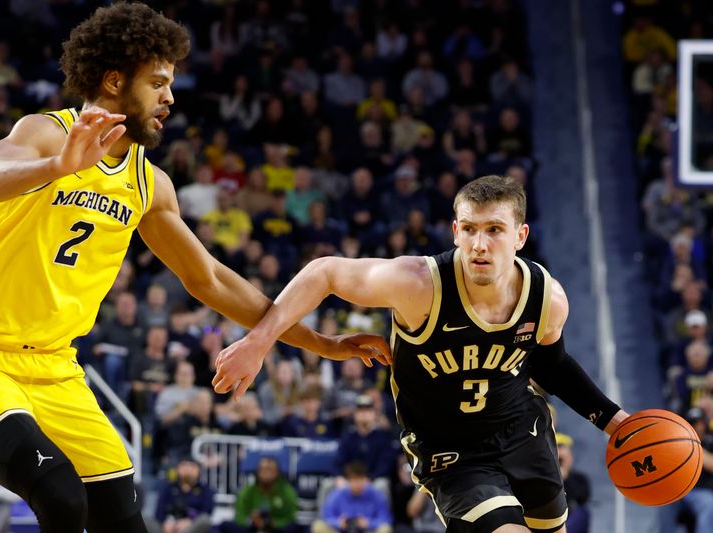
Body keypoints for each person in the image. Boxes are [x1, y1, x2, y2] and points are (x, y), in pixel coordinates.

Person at [0, 4, 388, 533]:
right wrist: (57, 167)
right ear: (115, 80)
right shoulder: (47, 133)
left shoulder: (150, 184)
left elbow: (208, 279)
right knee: (59, 495)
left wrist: (320, 343)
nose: (170, 97)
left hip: (55, 368)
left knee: (121, 514)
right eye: (158, 82)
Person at [215, 175, 630, 533]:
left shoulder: (547, 299)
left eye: (494, 230)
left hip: (523, 433)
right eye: (469, 229)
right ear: (454, 232)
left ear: (520, 236)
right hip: (451, 450)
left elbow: (550, 363)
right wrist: (259, 341)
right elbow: (324, 271)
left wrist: (616, 423)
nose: (479, 244)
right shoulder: (419, 285)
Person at [312, 461, 393, 533]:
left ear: (366, 479)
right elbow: (325, 517)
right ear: (348, 480)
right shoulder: (337, 495)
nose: (357, 484)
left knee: (385, 529)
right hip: (342, 531)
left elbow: (386, 519)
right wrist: (338, 523)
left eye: (360, 479)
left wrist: (368, 523)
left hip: (367, 531)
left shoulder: (375, 495)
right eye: (354, 479)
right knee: (318, 526)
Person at [155, 457, 214, 533]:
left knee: (204, 520)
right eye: (184, 465)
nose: (188, 469)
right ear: (177, 469)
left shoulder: (205, 490)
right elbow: (159, 513)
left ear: (198, 470)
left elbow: (206, 513)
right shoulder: (168, 488)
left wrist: (189, 521)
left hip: (193, 527)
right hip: (169, 527)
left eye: (192, 466)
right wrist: (166, 523)